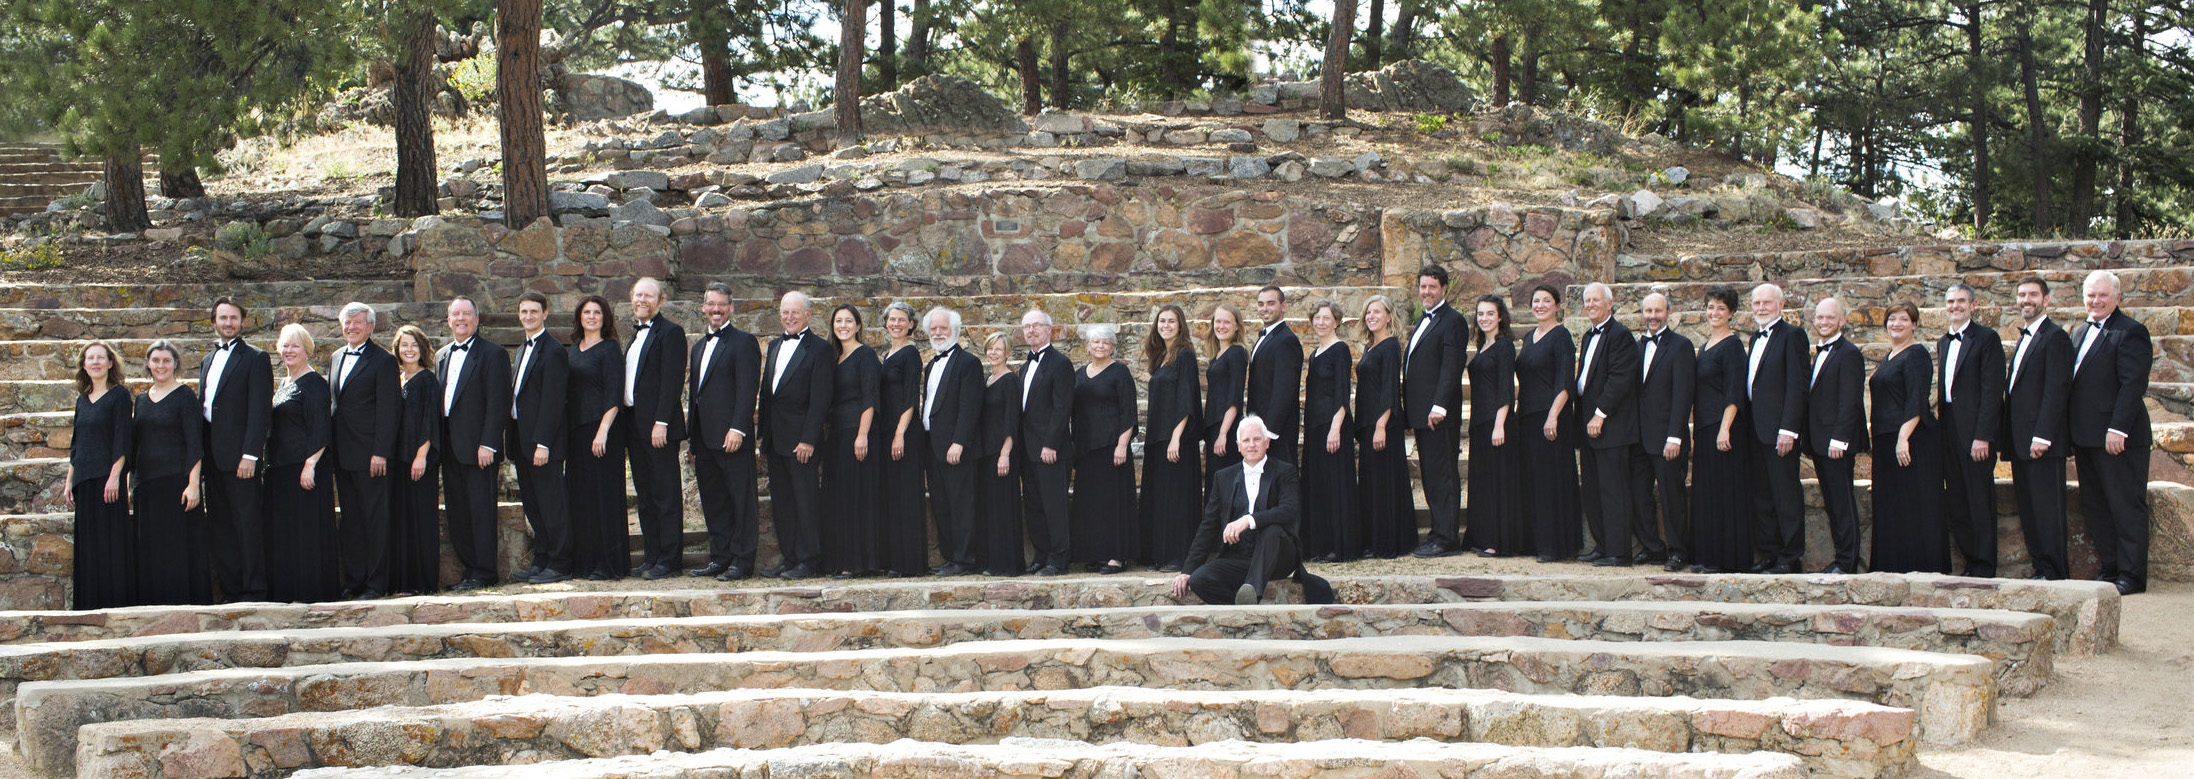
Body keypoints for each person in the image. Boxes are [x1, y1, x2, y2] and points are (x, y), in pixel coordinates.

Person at [1170, 414, 1334, 606]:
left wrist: (1248, 520)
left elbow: (1289, 510)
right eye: (1246, 440)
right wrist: (1187, 570)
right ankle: (1242, 606)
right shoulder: (1223, 477)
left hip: (1279, 557)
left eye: (1257, 439)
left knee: (1272, 529)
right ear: (1239, 446)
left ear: (1267, 443)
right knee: (1199, 579)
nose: (1252, 445)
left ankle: (1253, 592)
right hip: (1240, 557)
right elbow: (1208, 525)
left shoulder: (1284, 471)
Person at [2068, 270, 2152, 595]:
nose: (2096, 301)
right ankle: (2112, 568)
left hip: (2118, 439)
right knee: (2096, 507)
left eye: (2103, 295)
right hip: (2086, 438)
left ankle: (2132, 576)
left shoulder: (2130, 332)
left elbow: (2133, 384)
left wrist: (2118, 429)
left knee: (2125, 506)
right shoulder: (2078, 333)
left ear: (2117, 297)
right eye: (2091, 295)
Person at [686, 283, 761, 580]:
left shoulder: (744, 342)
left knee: (741, 502)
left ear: (731, 307)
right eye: (711, 304)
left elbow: (747, 389)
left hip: (732, 437)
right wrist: (693, 439)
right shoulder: (698, 347)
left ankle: (742, 562)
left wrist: (738, 428)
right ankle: (720, 557)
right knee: (714, 501)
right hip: (704, 439)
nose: (716, 309)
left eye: (721, 304)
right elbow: (695, 396)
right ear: (703, 307)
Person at [199, 298, 271, 602]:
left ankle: (254, 590)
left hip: (241, 457)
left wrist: (250, 454)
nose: (228, 323)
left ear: (242, 321)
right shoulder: (207, 360)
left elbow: (260, 411)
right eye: (222, 318)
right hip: (211, 457)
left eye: (233, 318)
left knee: (247, 524)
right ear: (214, 321)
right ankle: (231, 589)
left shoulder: (255, 358)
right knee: (221, 525)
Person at [438, 296, 511, 591]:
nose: (460, 319)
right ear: (448, 320)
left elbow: (499, 402)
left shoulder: (493, 354)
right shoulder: (442, 355)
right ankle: (469, 570)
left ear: (476, 319)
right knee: (458, 511)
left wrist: (489, 444)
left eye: (466, 314)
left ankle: (485, 572)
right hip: (449, 446)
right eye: (455, 314)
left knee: (481, 511)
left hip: (479, 448)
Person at [328, 303, 400, 599]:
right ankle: (355, 580)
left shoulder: (383, 361)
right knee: (351, 521)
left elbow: (389, 410)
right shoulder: (335, 357)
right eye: (347, 322)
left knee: (374, 521)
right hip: (342, 453)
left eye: (357, 322)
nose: (352, 327)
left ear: (370, 326)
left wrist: (380, 451)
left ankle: (375, 583)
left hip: (371, 455)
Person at [1870, 301, 1948, 574]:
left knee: (1915, 504)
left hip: (1911, 440)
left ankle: (1921, 567)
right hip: (1886, 440)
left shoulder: (1917, 355)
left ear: (1914, 324)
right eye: (1892, 319)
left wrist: (1903, 438)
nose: (1897, 324)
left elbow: (1916, 398)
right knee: (1892, 505)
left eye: (1904, 319)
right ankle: (1893, 567)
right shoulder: (1890, 356)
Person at [2005, 277, 2074, 580]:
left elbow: (2056, 390)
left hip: (2042, 441)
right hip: (2020, 440)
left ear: (2046, 300)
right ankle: (2041, 569)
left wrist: (2043, 435)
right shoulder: (2026, 337)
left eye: (2032, 294)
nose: (2026, 300)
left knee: (2047, 511)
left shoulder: (2055, 337)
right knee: (2030, 511)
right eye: (2021, 295)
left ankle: (2055, 573)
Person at [760, 291, 832, 580]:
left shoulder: (820, 349)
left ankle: (808, 559)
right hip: (775, 438)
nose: (789, 317)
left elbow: (820, 399)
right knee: (783, 503)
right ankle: (789, 558)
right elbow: (768, 394)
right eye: (785, 312)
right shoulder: (775, 345)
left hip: (801, 440)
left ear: (808, 315)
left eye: (795, 312)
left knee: (805, 501)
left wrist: (808, 439)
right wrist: (763, 435)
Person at [263, 325, 338, 603]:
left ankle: (309, 592)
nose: (289, 350)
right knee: (285, 532)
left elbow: (321, 427)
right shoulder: (284, 382)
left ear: (307, 350)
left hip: (303, 468)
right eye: (285, 345)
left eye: (295, 346)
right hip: (280, 469)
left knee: (305, 531)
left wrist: (310, 464)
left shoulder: (314, 383)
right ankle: (287, 591)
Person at [135, 340, 210, 606]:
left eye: (166, 360)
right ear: (148, 364)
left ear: (175, 364)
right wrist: (133, 485)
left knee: (176, 548)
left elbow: (195, 444)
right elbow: (137, 444)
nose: (161, 365)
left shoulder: (185, 396)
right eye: (155, 360)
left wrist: (193, 484)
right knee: (152, 549)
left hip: (177, 484)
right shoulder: (141, 400)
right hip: (147, 486)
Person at [1937, 283, 2004, 578]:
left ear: (1973, 305)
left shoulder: (1987, 338)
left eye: (1961, 301)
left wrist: (1983, 436)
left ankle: (1985, 565)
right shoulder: (1943, 342)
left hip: (1975, 432)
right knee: (1957, 500)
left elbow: (1992, 391)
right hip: (1949, 429)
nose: (1955, 306)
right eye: (1951, 301)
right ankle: (1970, 560)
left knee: (1979, 500)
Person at [623, 278, 688, 580]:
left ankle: (670, 560)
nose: (642, 300)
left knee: (665, 495)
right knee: (646, 496)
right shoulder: (634, 335)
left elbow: (672, 381)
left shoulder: (671, 332)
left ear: (660, 301)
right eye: (638, 295)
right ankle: (652, 556)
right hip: (634, 426)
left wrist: (661, 422)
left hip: (658, 428)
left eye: (648, 295)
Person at [507, 292, 573, 584]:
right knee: (533, 504)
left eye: (534, 311)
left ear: (545, 313)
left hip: (542, 443)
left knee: (551, 505)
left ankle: (561, 563)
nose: (528, 316)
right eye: (524, 311)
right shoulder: (523, 348)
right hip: (521, 441)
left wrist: (543, 443)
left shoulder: (554, 350)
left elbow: (553, 401)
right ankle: (542, 558)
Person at [1743, 283, 1809, 574]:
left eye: (1766, 303)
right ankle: (1769, 552)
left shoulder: (1793, 336)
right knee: (1762, 496)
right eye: (1756, 303)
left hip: (1780, 431)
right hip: (1755, 430)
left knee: (1785, 495)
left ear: (1781, 305)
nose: (1760, 308)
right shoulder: (1753, 338)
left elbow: (1797, 385)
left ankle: (1790, 556)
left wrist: (1789, 430)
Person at [1575, 282, 1642, 566]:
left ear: (1609, 304)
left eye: (1596, 300)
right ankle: (1603, 545)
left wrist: (1600, 414)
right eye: (1587, 300)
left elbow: (1620, 379)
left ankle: (1619, 551)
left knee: (1614, 491)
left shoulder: (1620, 335)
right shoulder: (1587, 336)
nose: (1590, 304)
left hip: (1611, 427)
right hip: (1588, 426)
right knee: (1592, 490)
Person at [1403, 268, 1469, 557]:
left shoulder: (1453, 320)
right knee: (1431, 476)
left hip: (1438, 414)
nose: (1426, 291)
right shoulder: (1424, 319)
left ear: (1444, 289)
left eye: (1432, 286)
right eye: (1423, 286)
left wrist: (1439, 406)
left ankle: (1447, 539)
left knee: (1442, 476)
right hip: (1422, 413)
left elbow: (1452, 365)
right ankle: (1438, 532)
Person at [1515, 285, 1581, 563]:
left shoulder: (1561, 336)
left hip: (1551, 418)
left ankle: (1555, 545)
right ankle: (1535, 541)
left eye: (1546, 301)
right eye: (1536, 301)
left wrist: (1553, 415)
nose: (1540, 305)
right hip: (1527, 418)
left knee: (1551, 481)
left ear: (1557, 306)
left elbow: (1565, 380)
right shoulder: (1529, 337)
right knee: (1532, 480)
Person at [565, 296, 629, 581]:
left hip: (602, 431)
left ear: (605, 318)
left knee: (604, 496)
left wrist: (603, 431)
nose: (591, 316)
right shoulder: (573, 350)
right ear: (579, 317)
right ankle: (584, 562)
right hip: (576, 432)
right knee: (581, 497)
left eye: (597, 312)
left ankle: (607, 564)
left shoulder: (610, 349)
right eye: (587, 312)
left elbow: (614, 392)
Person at [1628, 293, 1694, 570]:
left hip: (1668, 437)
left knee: (1671, 496)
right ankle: (1652, 548)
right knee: (1638, 494)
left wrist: (1675, 436)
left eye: (1658, 311)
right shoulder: (1637, 347)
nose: (1652, 316)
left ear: (1668, 312)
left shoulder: (1681, 346)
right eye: (1648, 311)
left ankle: (1678, 551)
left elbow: (1683, 394)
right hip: (1638, 438)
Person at [1689, 287, 1751, 573]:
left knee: (1724, 493)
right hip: (1705, 428)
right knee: (1707, 493)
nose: (1714, 313)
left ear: (1731, 313)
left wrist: (1725, 428)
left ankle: (1725, 559)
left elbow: (1734, 391)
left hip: (1723, 428)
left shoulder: (1733, 346)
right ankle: (1706, 556)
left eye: (1721, 308)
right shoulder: (1704, 347)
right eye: (1711, 307)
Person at [65, 342, 132, 610]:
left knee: (110, 543)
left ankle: (113, 604)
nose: (95, 362)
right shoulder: (82, 400)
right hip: (84, 481)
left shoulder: (119, 396)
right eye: (90, 358)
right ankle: (88, 605)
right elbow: (77, 445)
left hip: (108, 483)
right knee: (89, 545)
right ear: (84, 365)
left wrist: (115, 477)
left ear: (110, 363)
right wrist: (69, 481)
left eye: (100, 358)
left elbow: (122, 439)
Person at [1805, 297, 1868, 574]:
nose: (1824, 322)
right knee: (1832, 503)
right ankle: (1840, 558)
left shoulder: (1849, 353)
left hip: (1836, 443)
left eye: (1830, 317)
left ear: (1842, 320)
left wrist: (1839, 439)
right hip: (1820, 441)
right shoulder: (1820, 352)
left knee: (1842, 504)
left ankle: (1847, 562)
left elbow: (1850, 400)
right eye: (1820, 317)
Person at [922, 306, 984, 577]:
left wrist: (959, 442)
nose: (937, 333)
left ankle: (964, 559)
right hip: (932, 445)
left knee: (961, 504)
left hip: (956, 447)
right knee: (942, 504)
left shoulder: (968, 363)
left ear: (954, 331)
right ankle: (950, 557)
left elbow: (970, 406)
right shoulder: (931, 365)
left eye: (943, 328)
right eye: (933, 328)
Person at [1140, 305, 1203, 571]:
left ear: (1180, 326)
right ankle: (1161, 554)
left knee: (1177, 498)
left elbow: (1187, 398)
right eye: (1162, 321)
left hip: (1176, 440)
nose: (1165, 325)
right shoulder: (1160, 358)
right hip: (1158, 438)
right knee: (1161, 498)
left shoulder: (1184, 356)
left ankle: (1179, 556)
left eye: (1171, 321)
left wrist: (1176, 437)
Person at [1071, 324, 1138, 573]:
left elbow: (1128, 410)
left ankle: (1116, 556)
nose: (1100, 346)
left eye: (1105, 342)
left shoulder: (1119, 372)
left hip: (1112, 447)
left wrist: (1122, 445)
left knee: (1113, 503)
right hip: (1086, 448)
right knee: (1092, 503)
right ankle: (1097, 553)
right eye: (1096, 342)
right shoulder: (1079, 374)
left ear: (1112, 347)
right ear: (1088, 346)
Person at [822, 304, 881, 578]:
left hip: (857, 434)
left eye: (848, 321)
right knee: (838, 498)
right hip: (835, 436)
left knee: (856, 497)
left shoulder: (865, 355)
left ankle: (856, 562)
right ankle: (839, 559)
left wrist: (862, 435)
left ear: (858, 326)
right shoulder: (833, 357)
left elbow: (870, 398)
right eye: (838, 321)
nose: (843, 325)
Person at [1354, 296, 1413, 558]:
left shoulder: (1390, 346)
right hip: (1368, 423)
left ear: (1389, 316)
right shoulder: (1370, 347)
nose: (1372, 316)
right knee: (1373, 484)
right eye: (1368, 312)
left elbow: (1390, 387)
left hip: (1383, 424)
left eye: (1377, 312)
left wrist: (1381, 425)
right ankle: (1372, 540)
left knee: (1385, 483)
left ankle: (1388, 543)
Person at [1018, 308, 1074, 576]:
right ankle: (1041, 555)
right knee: (1034, 506)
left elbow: (1062, 408)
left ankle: (1059, 559)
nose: (1031, 330)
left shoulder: (1060, 363)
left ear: (1049, 330)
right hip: (1027, 449)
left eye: (1036, 325)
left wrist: (1050, 444)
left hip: (1051, 449)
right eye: (1027, 326)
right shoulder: (1024, 367)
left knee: (1054, 506)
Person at [1466, 294, 1524, 556]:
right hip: (1480, 422)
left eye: (1490, 313)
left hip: (1497, 422)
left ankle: (1497, 541)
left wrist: (1500, 424)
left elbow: (1505, 388)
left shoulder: (1504, 346)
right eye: (1480, 314)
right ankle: (1483, 536)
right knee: (1484, 482)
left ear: (1500, 317)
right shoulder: (1483, 346)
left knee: (1497, 482)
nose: (1484, 318)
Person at [1300, 300, 1357, 562]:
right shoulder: (1315, 354)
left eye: (1326, 318)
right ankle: (1319, 545)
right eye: (1317, 318)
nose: (1320, 322)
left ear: (1336, 321)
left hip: (1333, 426)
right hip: (1315, 427)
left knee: (1335, 486)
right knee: (1318, 486)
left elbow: (1342, 393)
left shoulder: (1340, 350)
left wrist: (1335, 429)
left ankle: (1337, 545)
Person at [876, 302, 930, 577]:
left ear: (911, 325)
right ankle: (893, 560)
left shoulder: (910, 354)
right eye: (892, 319)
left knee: (906, 497)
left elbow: (910, 397)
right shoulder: (886, 355)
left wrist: (899, 434)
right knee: (891, 496)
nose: (896, 324)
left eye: (901, 320)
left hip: (905, 433)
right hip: (886, 432)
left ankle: (910, 563)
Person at [388, 325, 442, 595]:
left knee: (420, 519)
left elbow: (430, 420)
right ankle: (403, 582)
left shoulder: (427, 380)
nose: (409, 350)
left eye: (414, 345)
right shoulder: (395, 379)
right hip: (397, 460)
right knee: (402, 521)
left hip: (419, 461)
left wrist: (421, 456)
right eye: (404, 345)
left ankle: (422, 582)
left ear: (422, 349)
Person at [976, 333, 1026, 576]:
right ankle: (990, 561)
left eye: (999, 349)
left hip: (1002, 453)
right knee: (989, 509)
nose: (993, 353)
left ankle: (1006, 564)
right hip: (985, 453)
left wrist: (1005, 454)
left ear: (1008, 353)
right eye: (990, 348)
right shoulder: (987, 380)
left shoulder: (1010, 381)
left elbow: (1011, 420)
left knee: (1003, 508)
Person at [1246, 286, 1303, 464]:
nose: (1265, 308)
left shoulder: (1287, 340)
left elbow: (1284, 389)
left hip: (1277, 432)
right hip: (1260, 427)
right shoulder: (1265, 337)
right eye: (1261, 304)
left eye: (1271, 303)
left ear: (1283, 306)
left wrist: (1270, 431)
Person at [1203, 304, 1250, 477]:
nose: (1221, 326)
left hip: (1226, 427)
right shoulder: (1217, 355)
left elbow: (1234, 397)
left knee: (1224, 480)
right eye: (1218, 321)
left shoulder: (1237, 353)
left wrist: (1223, 433)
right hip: (1214, 426)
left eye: (1227, 322)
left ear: (1236, 326)